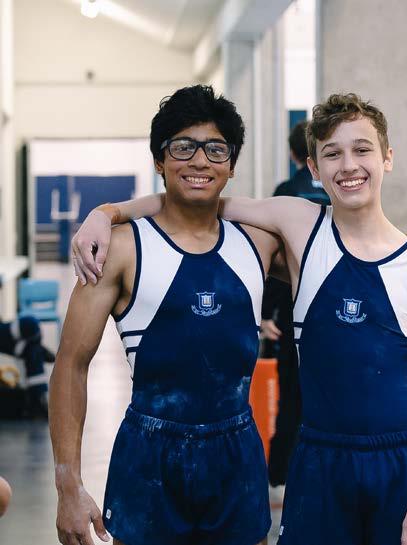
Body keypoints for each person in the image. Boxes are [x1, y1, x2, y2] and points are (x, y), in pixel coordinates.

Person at [72, 93, 407, 545]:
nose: (349, 165)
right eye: (332, 154)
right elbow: (198, 198)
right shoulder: (298, 224)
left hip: (402, 464)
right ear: (313, 168)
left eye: (362, 150)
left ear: (387, 158)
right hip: (318, 464)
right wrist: (106, 213)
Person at [50, 85, 282, 545]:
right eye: (183, 147)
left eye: (216, 149)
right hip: (149, 457)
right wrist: (68, 487)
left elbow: (357, 248)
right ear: (159, 160)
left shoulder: (259, 243)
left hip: (237, 454)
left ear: (232, 164)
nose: (200, 161)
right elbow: (70, 367)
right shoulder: (119, 250)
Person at [262, 120, 329, 489]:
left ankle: (280, 472)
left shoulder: (286, 193)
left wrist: (266, 313)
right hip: (334, 306)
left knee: (291, 395)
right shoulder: (339, 191)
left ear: (293, 154)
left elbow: (274, 258)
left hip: (292, 308)